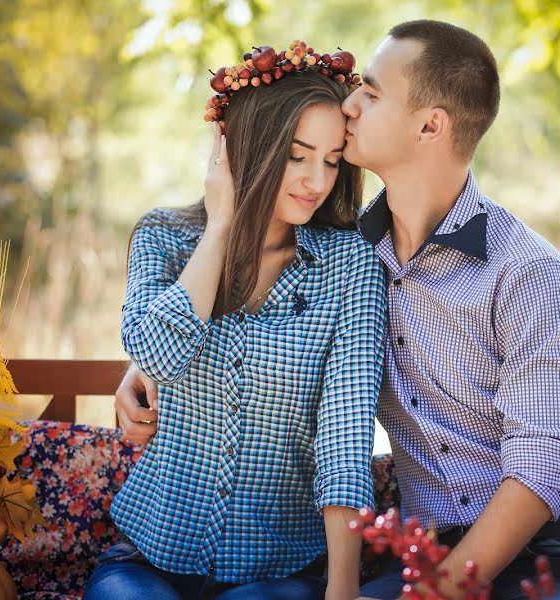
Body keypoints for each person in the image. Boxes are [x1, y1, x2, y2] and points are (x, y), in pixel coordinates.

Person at [117, 21, 560, 600]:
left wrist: (440, 588)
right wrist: (144, 368)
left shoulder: (526, 272)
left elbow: (546, 459)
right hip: (426, 546)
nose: (350, 102)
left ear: (431, 124)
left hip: (553, 543)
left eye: (372, 93)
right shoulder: (353, 256)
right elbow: (231, 325)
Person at [87, 41, 386, 600]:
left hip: (279, 568)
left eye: (330, 159)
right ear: (244, 149)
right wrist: (221, 224)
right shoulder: (165, 238)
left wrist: (342, 586)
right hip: (148, 557)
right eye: (296, 155)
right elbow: (157, 356)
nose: (316, 181)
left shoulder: (351, 265)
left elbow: (345, 431)